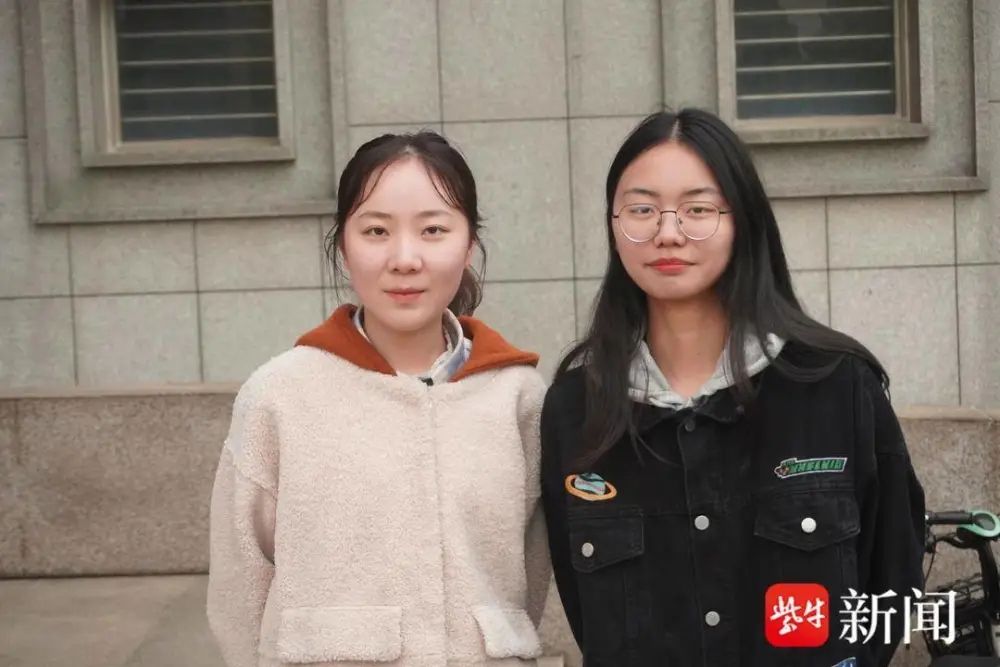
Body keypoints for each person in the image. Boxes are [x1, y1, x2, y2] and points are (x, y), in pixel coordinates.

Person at [540, 109, 925, 667]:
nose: (668, 233)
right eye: (641, 210)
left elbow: (894, 580)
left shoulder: (838, 386)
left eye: (697, 209)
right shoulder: (576, 409)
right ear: (613, 226)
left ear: (742, 219)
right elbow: (585, 611)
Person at [208, 131, 550, 667]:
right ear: (343, 247)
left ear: (469, 245)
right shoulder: (279, 397)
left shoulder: (518, 398)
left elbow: (535, 574)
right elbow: (239, 584)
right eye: (376, 231)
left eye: (433, 230)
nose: (405, 258)